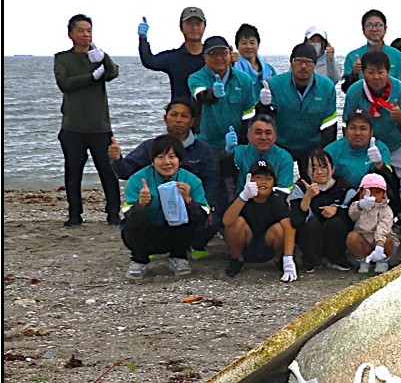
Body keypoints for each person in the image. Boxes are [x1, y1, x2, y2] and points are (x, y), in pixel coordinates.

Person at [109, 98, 222, 255]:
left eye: (184, 116)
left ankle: (191, 246)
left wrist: (208, 207)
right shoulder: (151, 146)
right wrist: (117, 159)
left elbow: (212, 181)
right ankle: (152, 248)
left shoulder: (202, 149)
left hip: (190, 204)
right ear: (165, 118)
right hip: (157, 207)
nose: (178, 120)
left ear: (192, 121)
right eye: (174, 115)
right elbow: (125, 172)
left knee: (213, 221)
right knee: (136, 221)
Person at [55, 13, 121, 226]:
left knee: (108, 172)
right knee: (73, 174)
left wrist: (102, 57)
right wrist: (92, 76)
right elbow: (65, 83)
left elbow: (112, 73)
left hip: (100, 126)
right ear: (70, 34)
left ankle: (113, 213)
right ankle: (75, 215)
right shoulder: (62, 58)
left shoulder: (97, 55)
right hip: (73, 126)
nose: (86, 34)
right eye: (81, 30)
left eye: (89, 30)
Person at [120, 135, 210, 281]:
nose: (166, 162)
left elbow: (203, 217)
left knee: (192, 216)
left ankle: (178, 257)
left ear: (180, 160)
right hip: (147, 234)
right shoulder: (137, 180)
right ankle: (139, 260)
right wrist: (140, 204)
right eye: (160, 157)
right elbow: (128, 217)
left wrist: (188, 200)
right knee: (134, 221)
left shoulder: (191, 180)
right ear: (152, 161)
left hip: (176, 234)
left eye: (172, 157)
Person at [188, 36, 258, 203]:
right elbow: (200, 95)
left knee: (233, 187)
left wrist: (245, 144)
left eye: (223, 53)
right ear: (204, 57)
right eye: (213, 54)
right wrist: (212, 93)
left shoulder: (244, 79)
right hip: (207, 144)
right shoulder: (196, 77)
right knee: (210, 187)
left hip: (236, 145)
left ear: (230, 54)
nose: (219, 58)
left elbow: (249, 116)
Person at [261, 42, 340, 176]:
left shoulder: (327, 87)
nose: (303, 66)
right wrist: (262, 105)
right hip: (280, 144)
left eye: (308, 62)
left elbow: (329, 127)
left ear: (315, 65)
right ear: (291, 63)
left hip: (311, 146)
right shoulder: (275, 84)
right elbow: (264, 120)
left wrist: (322, 157)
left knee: (312, 186)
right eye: (299, 61)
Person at [342, 50, 401, 182]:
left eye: (380, 72)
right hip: (367, 146)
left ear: (388, 72)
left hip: (400, 144)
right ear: (363, 72)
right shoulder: (354, 91)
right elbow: (347, 126)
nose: (376, 77)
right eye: (371, 72)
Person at [223, 160, 297, 281]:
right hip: (246, 244)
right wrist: (244, 196)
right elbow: (226, 222)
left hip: (268, 246)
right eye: (258, 177)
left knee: (280, 228)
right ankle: (236, 260)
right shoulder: (243, 197)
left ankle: (280, 261)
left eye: (268, 178)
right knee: (236, 222)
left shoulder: (277, 200)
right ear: (250, 180)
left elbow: (289, 227)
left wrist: (288, 258)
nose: (263, 182)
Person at [322, 109, 400, 217]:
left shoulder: (380, 148)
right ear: (345, 131)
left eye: (363, 128)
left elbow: (390, 181)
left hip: (370, 200)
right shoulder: (331, 150)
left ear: (371, 132)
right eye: (353, 128)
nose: (357, 133)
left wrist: (379, 164)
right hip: (340, 200)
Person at [288, 149, 355, 273]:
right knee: (311, 223)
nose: (319, 171)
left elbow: (354, 214)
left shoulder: (344, 186)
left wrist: (337, 209)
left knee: (336, 222)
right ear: (307, 171)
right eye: (314, 168)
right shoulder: (300, 188)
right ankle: (311, 260)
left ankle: (336, 259)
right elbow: (296, 220)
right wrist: (307, 197)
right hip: (311, 237)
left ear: (332, 169)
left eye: (324, 167)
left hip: (335, 236)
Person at [138, 6, 206, 100]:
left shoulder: (214, 57)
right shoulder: (173, 57)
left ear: (204, 26)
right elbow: (149, 61)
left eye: (198, 24)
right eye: (189, 23)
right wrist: (143, 39)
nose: (194, 27)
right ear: (181, 27)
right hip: (181, 113)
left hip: (209, 113)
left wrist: (233, 59)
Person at [342, 9, 401, 90]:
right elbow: (346, 89)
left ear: (385, 29)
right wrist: (354, 73)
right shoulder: (352, 56)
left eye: (378, 25)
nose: (374, 29)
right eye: (369, 25)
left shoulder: (398, 56)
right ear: (363, 30)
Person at [347, 172, 399, 274]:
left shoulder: (386, 209)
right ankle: (363, 261)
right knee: (351, 237)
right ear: (361, 192)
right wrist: (360, 206)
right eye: (368, 192)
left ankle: (383, 261)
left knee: (388, 239)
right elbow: (352, 215)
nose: (373, 196)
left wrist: (379, 245)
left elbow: (384, 227)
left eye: (377, 192)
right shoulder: (358, 205)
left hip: (381, 240)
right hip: (364, 240)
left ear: (383, 194)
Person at [233, 114, 296, 193]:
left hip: (274, 203)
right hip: (240, 202)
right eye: (258, 133)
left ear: (275, 137)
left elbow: (284, 193)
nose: (263, 137)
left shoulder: (285, 158)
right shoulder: (237, 153)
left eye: (268, 133)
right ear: (248, 136)